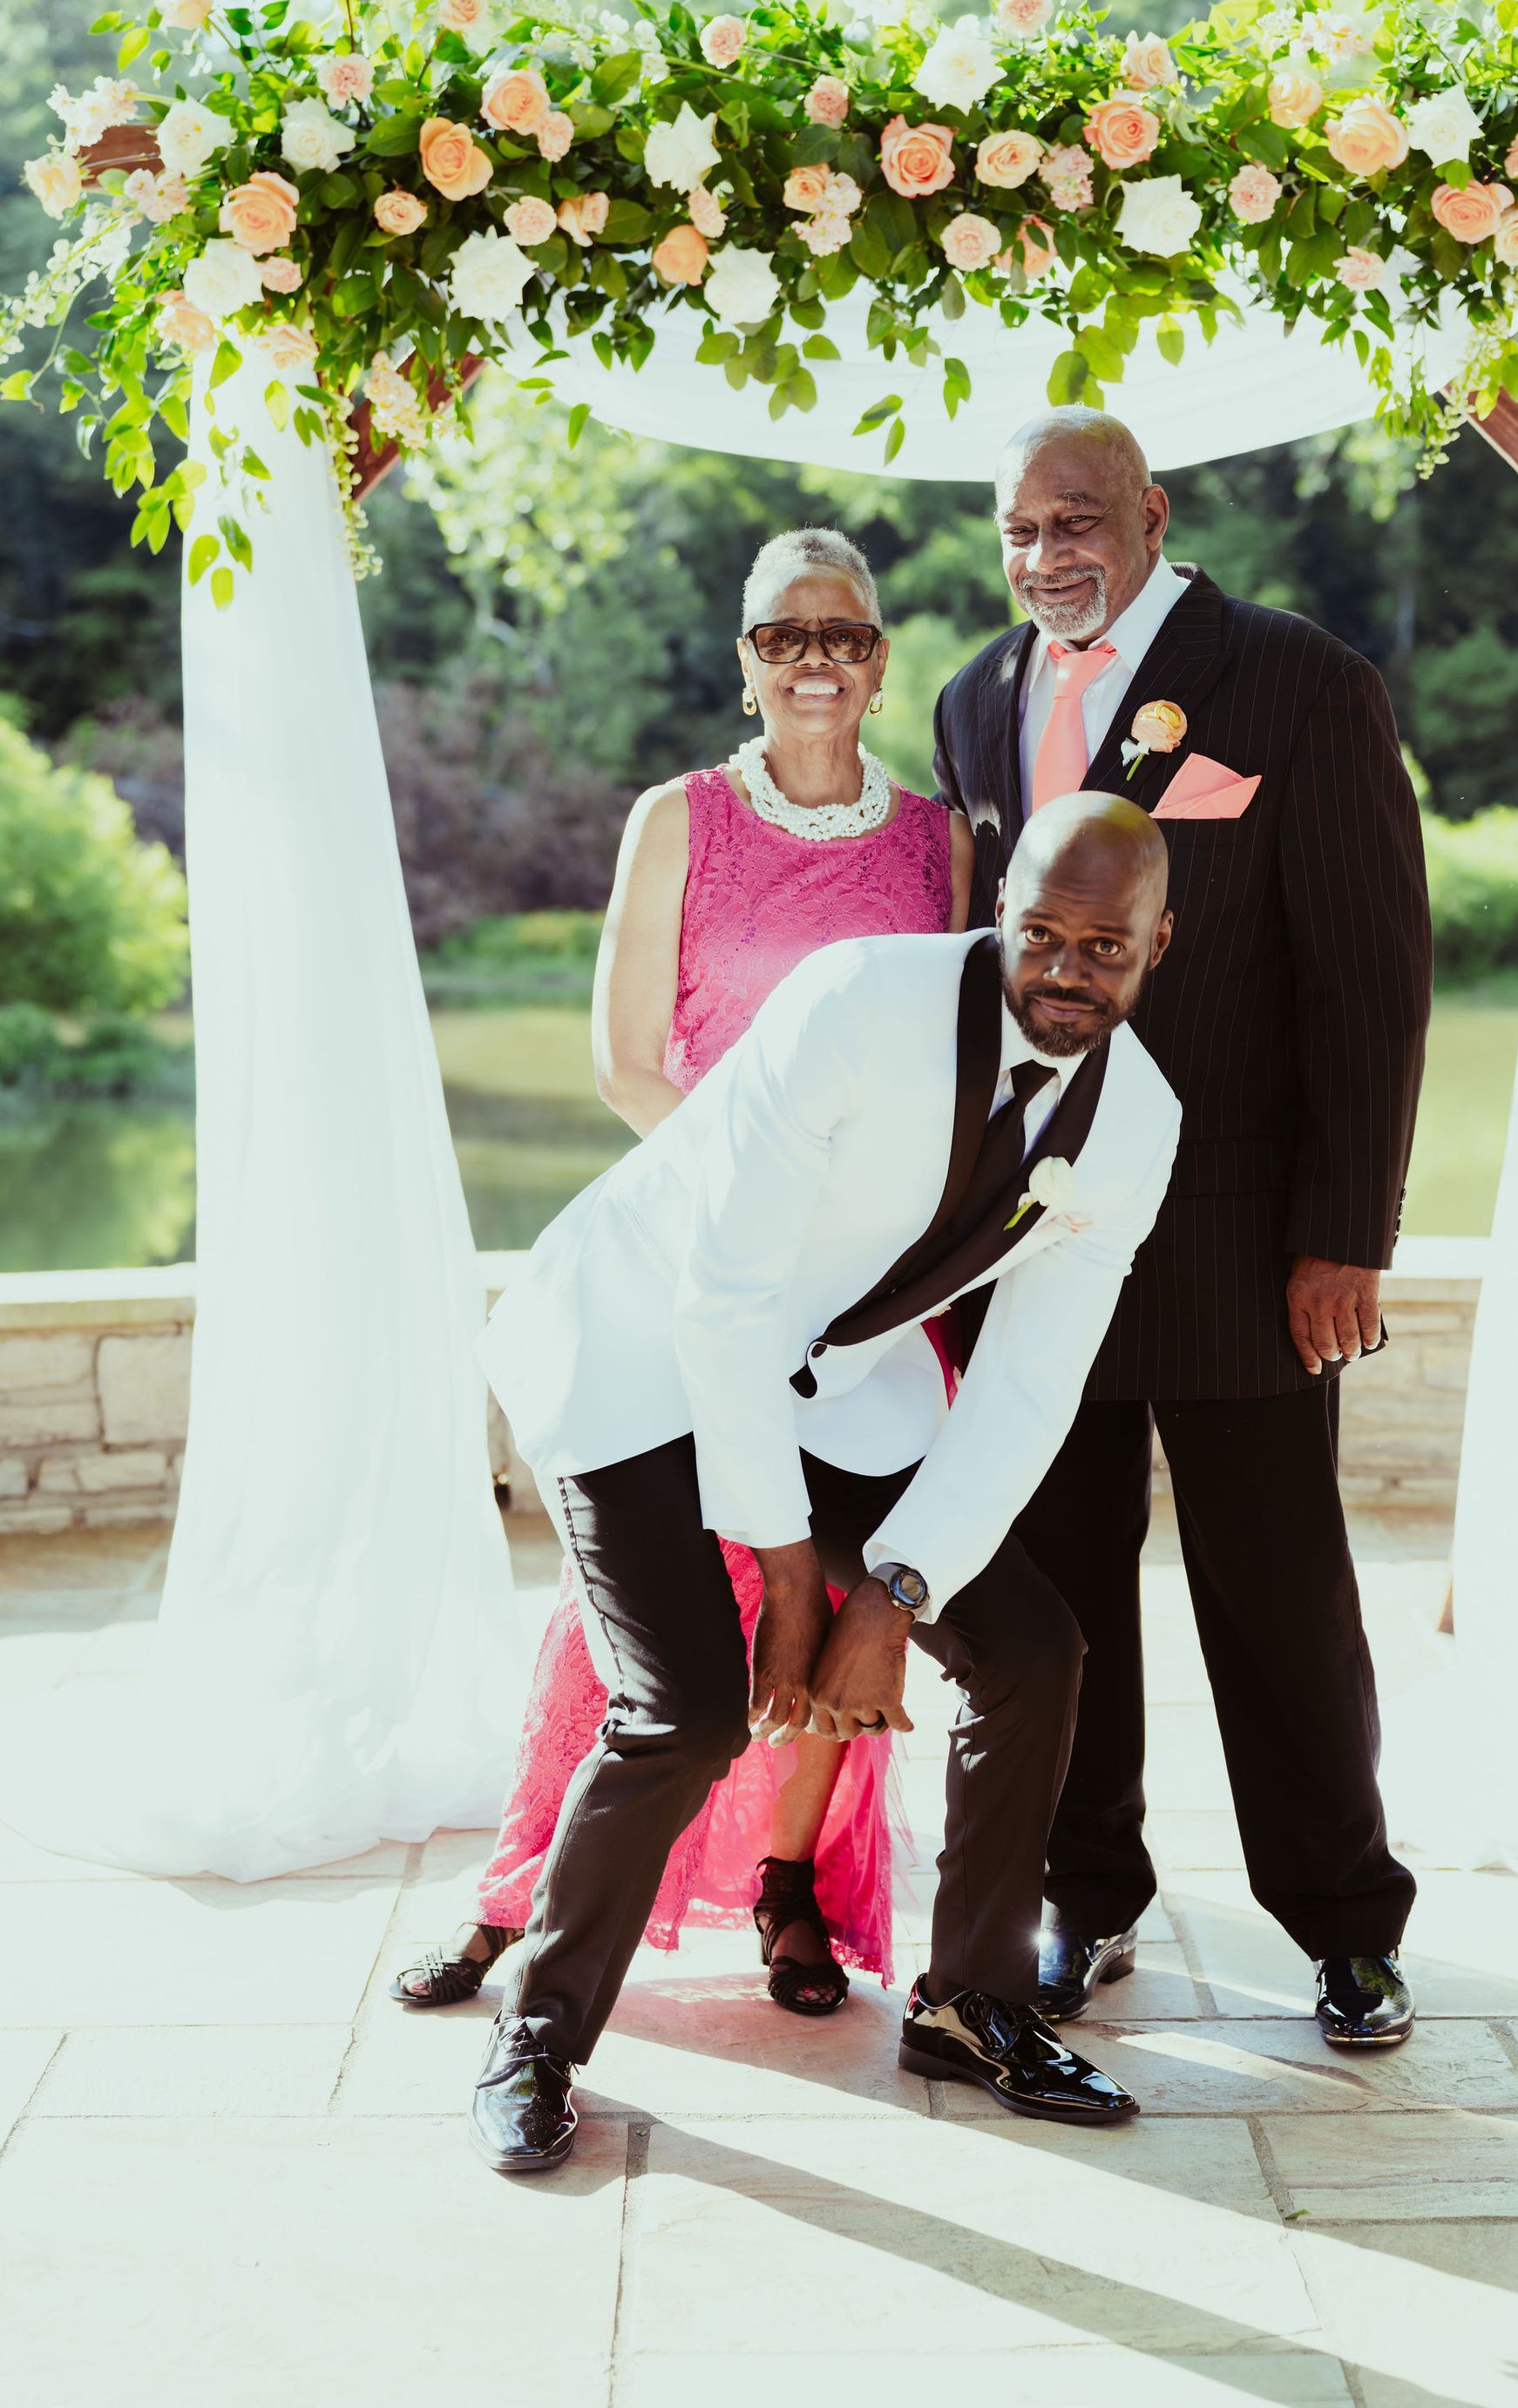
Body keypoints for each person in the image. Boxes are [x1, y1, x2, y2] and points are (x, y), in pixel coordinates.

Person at [468, 794, 1182, 2169]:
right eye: (1040, 935)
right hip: (634, 1340)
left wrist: (897, 1591)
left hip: (830, 1379)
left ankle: (971, 2002)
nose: (1065, 973)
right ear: (1000, 920)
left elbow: (1032, 1382)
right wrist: (793, 1574)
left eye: (1106, 947)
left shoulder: (1137, 1123)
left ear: (1162, 942)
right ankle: (540, 2034)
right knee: (681, 1715)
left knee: (1033, 1645)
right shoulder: (856, 1003)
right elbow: (721, 1303)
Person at [389, 528, 972, 2022]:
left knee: (842, 1587)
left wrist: (855, 1240)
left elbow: (949, 1070)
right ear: (745, 659)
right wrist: (753, 1203)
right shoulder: (682, 818)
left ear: (881, 656)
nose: (817, 662)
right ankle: (532, 1895)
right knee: (645, 1607)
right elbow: (624, 1061)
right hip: (693, 1258)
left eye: (844, 635)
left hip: (860, 1297)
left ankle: (792, 1887)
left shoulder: (936, 841)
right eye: (785, 636)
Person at [933, 409, 1432, 2051]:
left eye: (1076, 517)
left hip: (1241, 1243)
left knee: (1279, 1596)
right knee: (1064, 1596)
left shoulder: (1302, 682)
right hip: (1038, 1248)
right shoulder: (973, 703)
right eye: (1018, 527)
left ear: (1147, 514)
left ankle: (1346, 1923)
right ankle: (1088, 1898)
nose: (1044, 552)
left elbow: (1372, 986)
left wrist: (1344, 1231)